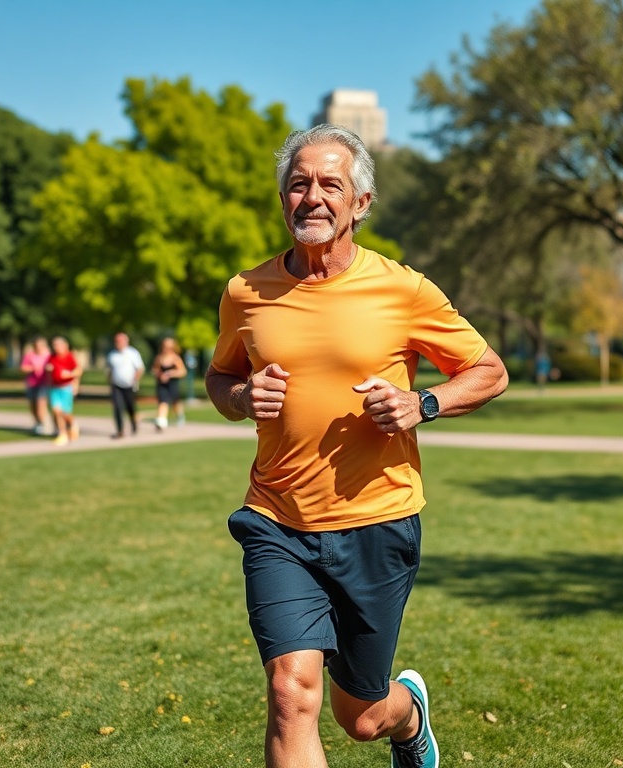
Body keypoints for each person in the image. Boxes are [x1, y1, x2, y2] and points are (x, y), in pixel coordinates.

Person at [206, 124, 508, 768]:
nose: (311, 196)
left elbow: (490, 371)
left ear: (360, 204)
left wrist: (420, 404)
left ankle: (409, 716)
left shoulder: (403, 289)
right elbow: (221, 375)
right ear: (283, 198)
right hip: (276, 519)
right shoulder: (245, 292)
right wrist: (238, 398)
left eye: (329, 184)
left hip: (378, 523)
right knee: (291, 693)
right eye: (298, 183)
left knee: (362, 717)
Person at [105, 332, 145, 438]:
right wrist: (110, 381)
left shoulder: (133, 353)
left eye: (121, 341)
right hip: (116, 385)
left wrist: (135, 380)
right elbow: (109, 369)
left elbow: (139, 368)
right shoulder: (112, 354)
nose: (119, 343)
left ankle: (134, 423)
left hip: (129, 385)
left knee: (130, 406)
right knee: (117, 407)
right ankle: (120, 430)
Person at [45, 336, 82, 446]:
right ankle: (62, 434)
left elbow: (78, 371)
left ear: (65, 345)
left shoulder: (70, 356)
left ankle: (72, 423)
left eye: (58, 344)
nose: (56, 347)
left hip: (66, 387)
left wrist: (70, 376)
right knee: (56, 411)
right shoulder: (52, 357)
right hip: (54, 388)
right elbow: (48, 371)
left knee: (65, 412)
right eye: (54, 345)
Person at [151, 337, 187, 431]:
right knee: (163, 401)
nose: (165, 349)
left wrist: (171, 373)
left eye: (168, 347)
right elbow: (154, 370)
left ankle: (179, 416)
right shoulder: (159, 358)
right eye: (164, 347)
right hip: (162, 384)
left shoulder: (176, 358)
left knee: (175, 402)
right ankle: (161, 421)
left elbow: (183, 372)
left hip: (172, 384)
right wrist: (160, 375)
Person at [19, 336, 51, 434]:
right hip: (32, 383)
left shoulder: (48, 356)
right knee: (33, 405)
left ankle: (42, 424)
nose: (38, 347)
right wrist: (33, 368)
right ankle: (37, 422)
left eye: (41, 345)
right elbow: (23, 368)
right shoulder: (29, 356)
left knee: (40, 404)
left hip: (44, 383)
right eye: (36, 345)